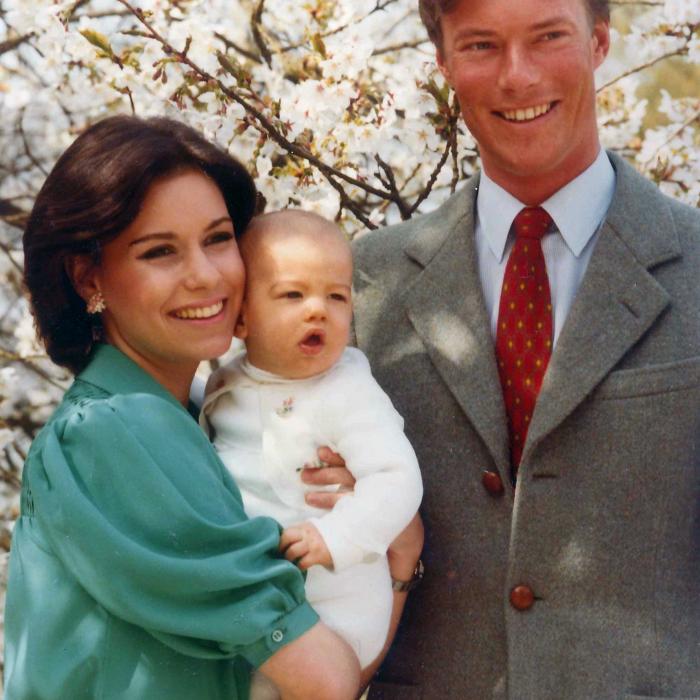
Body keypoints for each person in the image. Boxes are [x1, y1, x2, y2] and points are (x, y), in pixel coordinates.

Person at [351, 0, 700, 698]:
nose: (518, 76)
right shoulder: (365, 283)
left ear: (599, 42)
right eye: (480, 46)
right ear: (443, 63)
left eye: (548, 37)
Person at [4, 115, 370, 700]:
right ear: (87, 276)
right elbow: (327, 681)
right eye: (160, 252)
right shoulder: (111, 432)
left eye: (219, 239)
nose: (206, 276)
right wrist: (395, 554)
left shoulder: (200, 419)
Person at [199, 210, 423, 697]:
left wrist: (336, 536)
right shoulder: (225, 383)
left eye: (337, 296)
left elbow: (397, 476)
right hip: (266, 608)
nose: (318, 309)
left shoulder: (348, 390)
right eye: (292, 295)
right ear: (241, 317)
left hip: (338, 604)